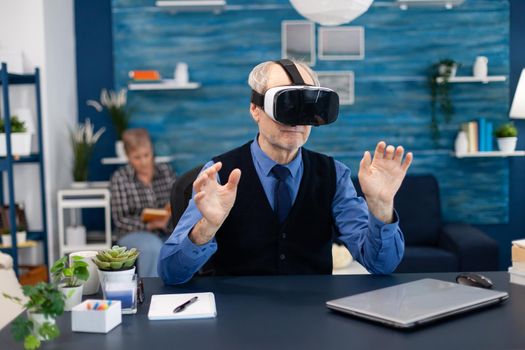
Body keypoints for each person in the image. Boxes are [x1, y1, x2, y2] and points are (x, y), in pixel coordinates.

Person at [158, 59, 413, 284]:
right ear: (255, 109)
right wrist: (206, 227)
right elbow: (170, 273)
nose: (297, 120)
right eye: (286, 103)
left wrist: (381, 209)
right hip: (237, 318)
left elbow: (381, 266)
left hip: (314, 316)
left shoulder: (334, 175)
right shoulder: (219, 175)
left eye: (307, 106)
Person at [110, 128, 176, 277]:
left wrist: (167, 217)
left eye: (147, 155)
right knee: (153, 247)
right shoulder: (120, 178)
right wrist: (149, 225)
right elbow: (120, 219)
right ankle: (150, 292)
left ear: (152, 151)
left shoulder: (166, 171)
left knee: (180, 246)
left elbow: (176, 201)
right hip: (132, 233)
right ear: (128, 157)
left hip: (165, 229)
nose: (144, 161)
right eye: (137, 157)